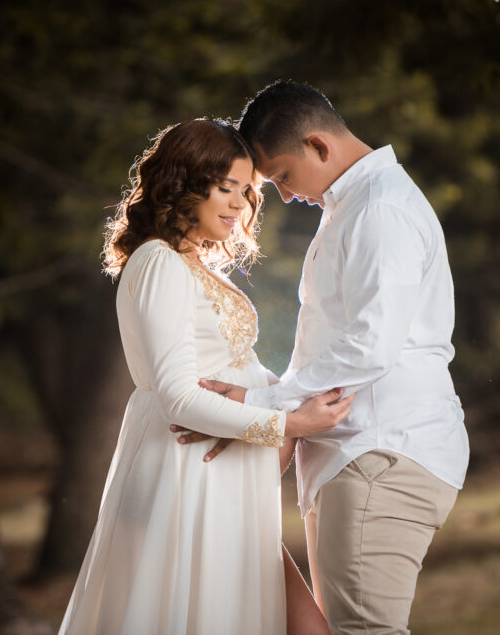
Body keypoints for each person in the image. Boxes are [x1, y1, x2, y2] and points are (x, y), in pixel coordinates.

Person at [188, 82, 470, 635]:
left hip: (381, 452)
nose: (285, 196)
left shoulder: (380, 210)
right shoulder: (355, 206)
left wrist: (261, 405)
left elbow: (371, 344)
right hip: (356, 456)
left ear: (319, 145)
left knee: (363, 632)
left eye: (284, 177)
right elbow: (334, 340)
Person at [57, 118, 349, 635]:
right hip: (186, 469)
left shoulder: (195, 265)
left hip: (225, 467)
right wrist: (289, 425)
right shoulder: (158, 262)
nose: (239, 204)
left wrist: (297, 395)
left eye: (246, 190)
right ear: (184, 185)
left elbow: (240, 370)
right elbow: (176, 397)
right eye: (225, 188)